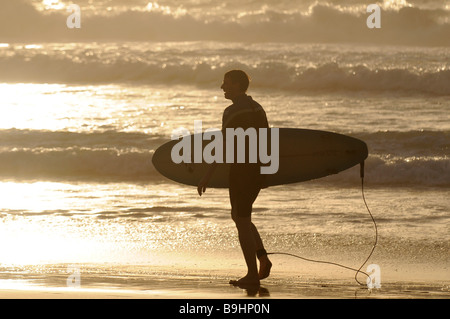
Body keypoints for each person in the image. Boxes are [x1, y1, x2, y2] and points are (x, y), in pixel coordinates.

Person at [197, 70, 272, 286]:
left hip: (242, 170)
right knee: (239, 216)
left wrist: (207, 175)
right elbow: (266, 139)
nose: (222, 87)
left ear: (238, 86)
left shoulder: (231, 112)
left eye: (226, 83)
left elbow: (222, 145)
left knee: (241, 219)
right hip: (257, 169)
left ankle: (251, 275)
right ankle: (262, 258)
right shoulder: (258, 107)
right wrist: (266, 171)